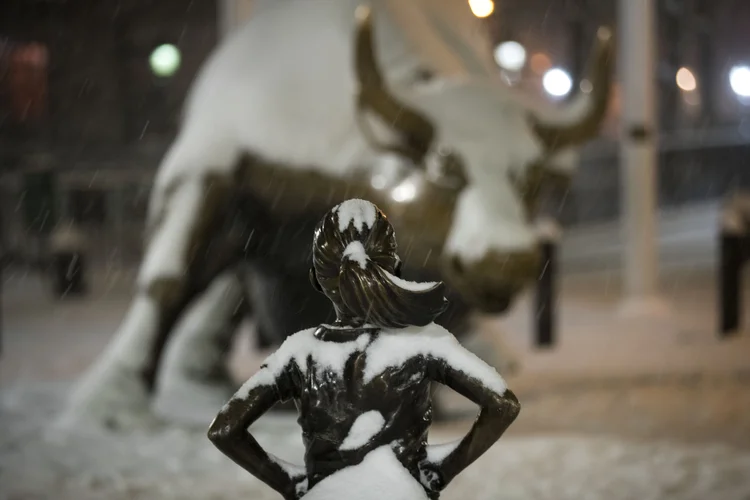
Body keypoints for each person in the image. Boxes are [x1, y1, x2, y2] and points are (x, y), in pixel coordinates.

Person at [207, 199, 520, 500]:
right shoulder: (425, 343)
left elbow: (225, 429)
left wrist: (289, 483)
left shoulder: (300, 353)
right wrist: (440, 472)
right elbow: (502, 405)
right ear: (395, 267)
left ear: (317, 278)